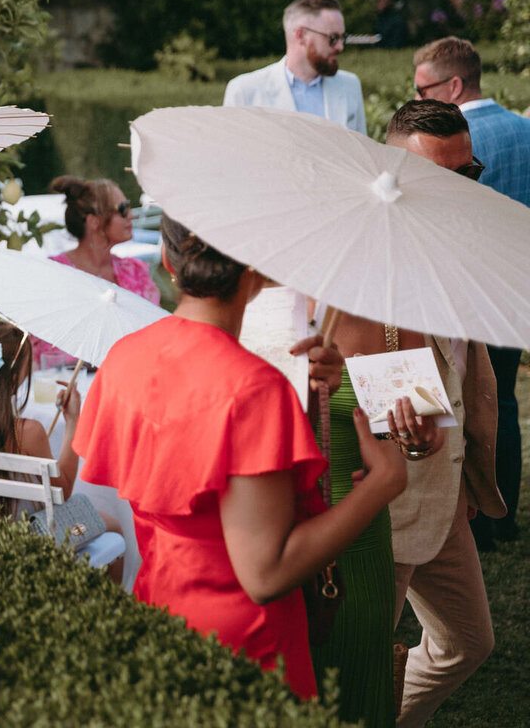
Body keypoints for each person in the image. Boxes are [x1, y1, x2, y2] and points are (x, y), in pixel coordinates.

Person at [73, 215, 406, 699]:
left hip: (158, 609)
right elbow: (265, 573)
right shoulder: (254, 389)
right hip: (245, 648)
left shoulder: (124, 356)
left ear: (168, 262)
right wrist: (380, 487)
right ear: (255, 268)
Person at [367, 100, 502, 727]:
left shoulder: (461, 243)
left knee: (468, 644)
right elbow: (342, 375)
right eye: (437, 180)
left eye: (466, 174)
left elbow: (462, 366)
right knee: (357, 665)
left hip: (448, 494)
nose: (455, 193)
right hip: (381, 503)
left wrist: (463, 468)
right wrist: (408, 439)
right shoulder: (359, 260)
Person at [412, 36, 528, 548]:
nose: (416, 100)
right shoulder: (525, 130)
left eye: (423, 89)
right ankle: (506, 514)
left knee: (463, 404)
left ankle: (471, 516)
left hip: (464, 290)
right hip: (517, 286)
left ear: (453, 85)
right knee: (502, 400)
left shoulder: (448, 142)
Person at [0, 320, 123, 584]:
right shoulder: (27, 432)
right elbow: (64, 491)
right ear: (13, 381)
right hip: (25, 535)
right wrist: (72, 422)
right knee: (114, 526)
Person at [33, 175, 160, 366]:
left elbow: (154, 335)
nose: (131, 216)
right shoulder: (55, 275)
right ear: (93, 222)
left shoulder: (136, 273)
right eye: (123, 209)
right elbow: (44, 351)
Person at [224, 0, 367, 134]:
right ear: (301, 35)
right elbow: (232, 154)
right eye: (333, 38)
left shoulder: (350, 85)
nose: (340, 47)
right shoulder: (244, 91)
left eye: (343, 37)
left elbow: (362, 155)